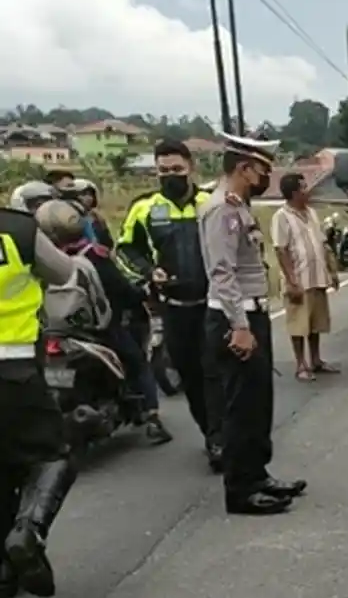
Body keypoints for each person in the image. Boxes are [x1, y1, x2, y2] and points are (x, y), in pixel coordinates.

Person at [199, 133, 307, 516]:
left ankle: (257, 475)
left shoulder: (239, 207)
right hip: (235, 318)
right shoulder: (223, 211)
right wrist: (240, 325)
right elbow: (222, 272)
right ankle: (241, 490)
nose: (267, 177)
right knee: (240, 407)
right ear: (244, 168)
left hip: (250, 314)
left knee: (257, 403)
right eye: (263, 170)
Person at [118, 140, 224, 470]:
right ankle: (212, 433)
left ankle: (224, 436)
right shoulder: (144, 208)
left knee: (217, 372)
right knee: (191, 376)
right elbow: (124, 250)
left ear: (191, 167)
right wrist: (150, 272)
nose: (171, 176)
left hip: (215, 304)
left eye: (177, 169)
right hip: (174, 307)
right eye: (163, 171)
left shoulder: (212, 203)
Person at [35, 199, 173, 444]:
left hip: (55, 330)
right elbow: (120, 290)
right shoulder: (94, 255)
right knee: (139, 363)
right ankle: (153, 419)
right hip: (101, 329)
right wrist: (142, 294)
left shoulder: (42, 260)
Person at [0, 194, 78, 598]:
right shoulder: (17, 228)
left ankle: (3, 573)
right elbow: (64, 272)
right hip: (14, 369)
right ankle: (28, 532)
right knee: (53, 454)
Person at [271, 173, 341, 381]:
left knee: (315, 322)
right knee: (298, 324)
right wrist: (292, 281)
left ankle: (316, 360)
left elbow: (323, 243)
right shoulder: (281, 217)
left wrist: (332, 270)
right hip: (299, 280)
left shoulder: (311, 213)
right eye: (303, 188)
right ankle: (301, 364)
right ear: (293, 193)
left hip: (316, 276)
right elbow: (281, 250)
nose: (307, 191)